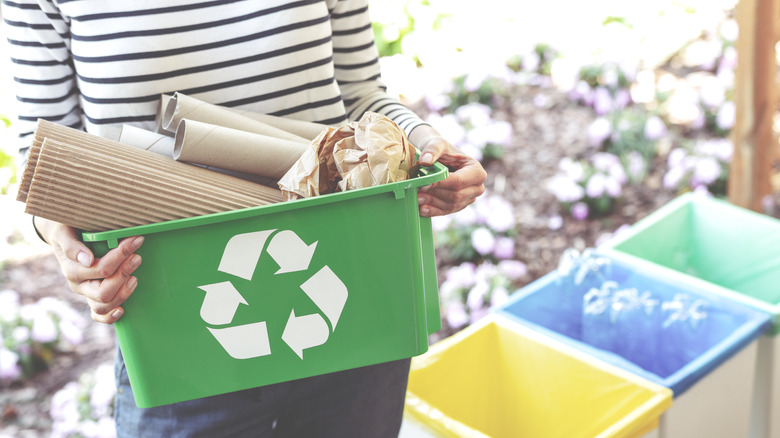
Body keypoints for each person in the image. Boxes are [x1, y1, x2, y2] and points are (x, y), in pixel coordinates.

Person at [4, 1, 486, 436]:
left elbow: (359, 92)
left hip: (351, 293)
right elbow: (44, 153)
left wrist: (426, 145)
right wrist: (68, 246)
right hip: (173, 316)